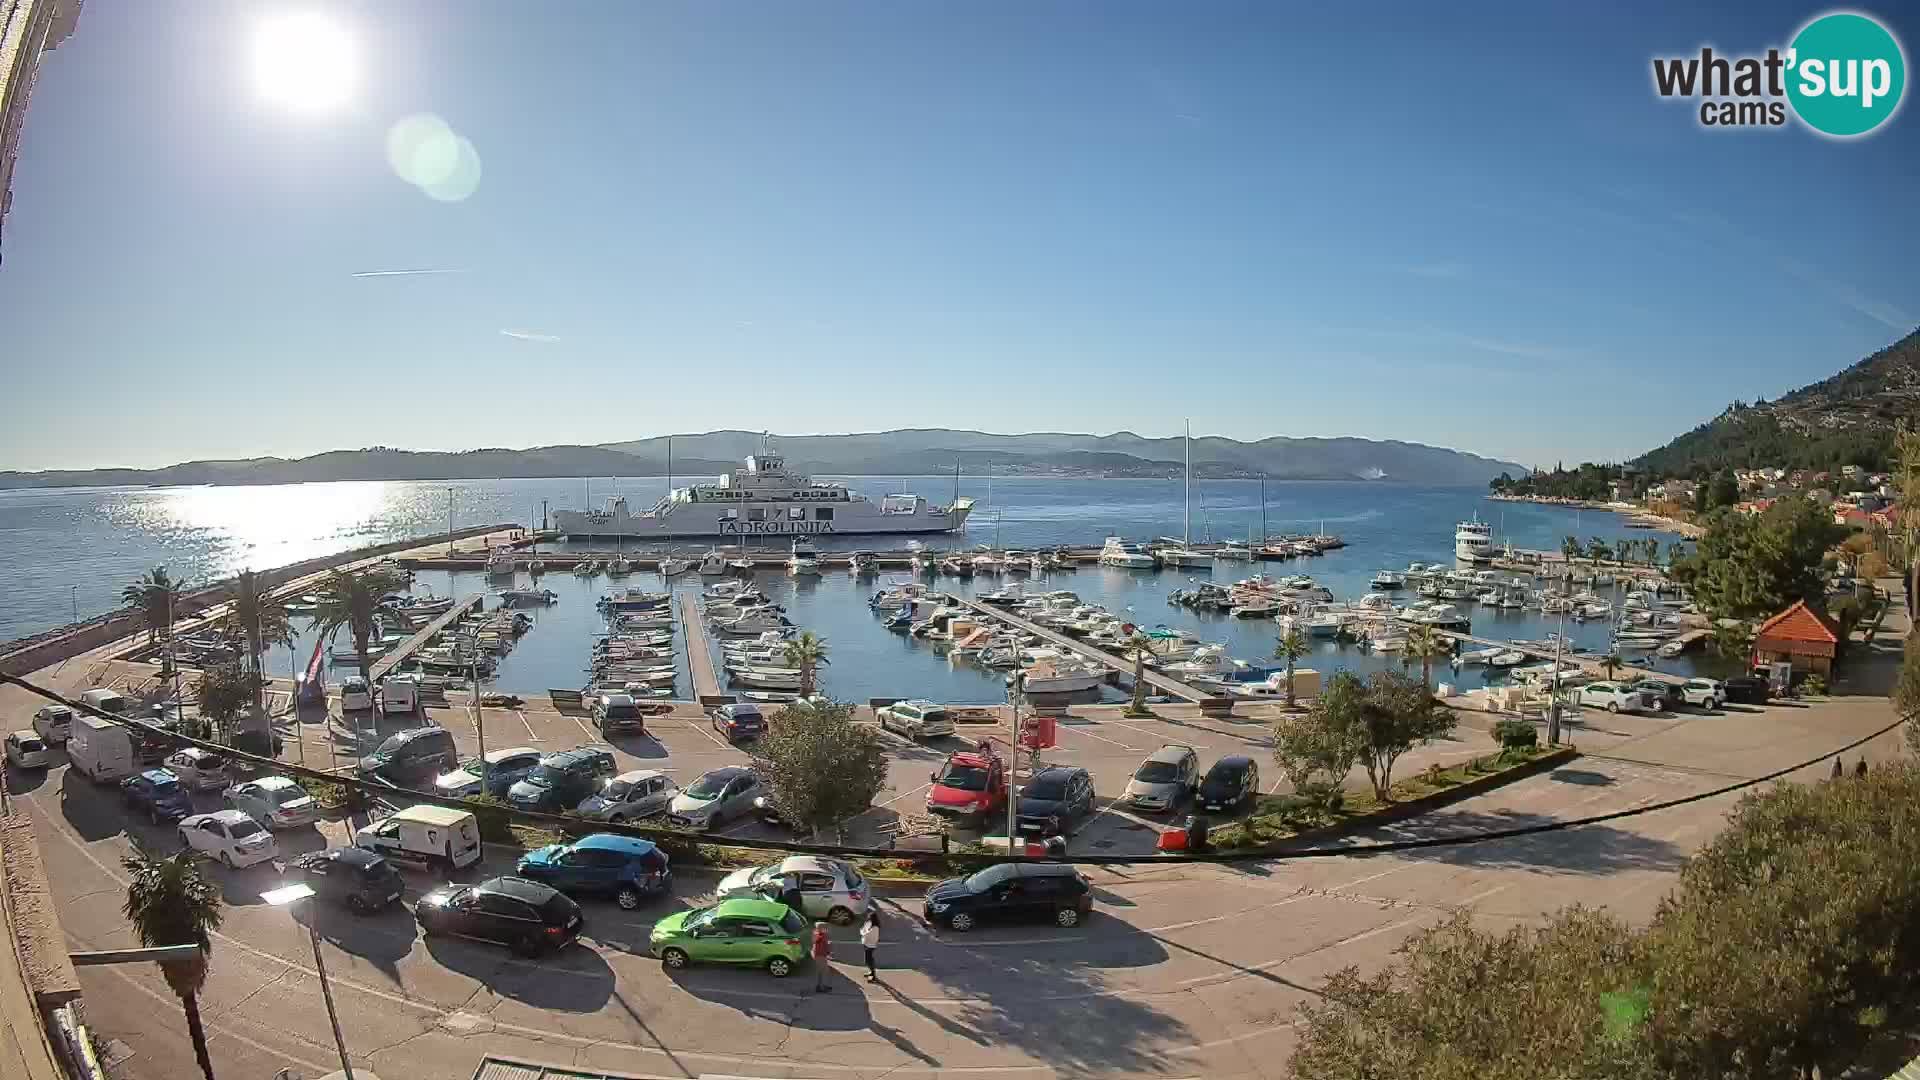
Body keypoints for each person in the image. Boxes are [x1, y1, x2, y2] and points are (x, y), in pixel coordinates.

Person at [811, 921, 833, 992]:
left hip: (819, 955)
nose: (826, 929)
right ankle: (821, 987)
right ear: (821, 928)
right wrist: (828, 953)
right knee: (824, 971)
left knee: (820, 971)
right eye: (825, 928)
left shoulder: (818, 934)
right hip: (820, 955)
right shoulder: (821, 936)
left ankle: (820, 986)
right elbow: (824, 946)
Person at [860, 909, 881, 982]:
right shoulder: (869, 923)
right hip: (866, 943)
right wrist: (864, 932)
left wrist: (864, 933)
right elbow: (862, 929)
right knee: (868, 960)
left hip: (870, 946)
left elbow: (866, 934)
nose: (868, 919)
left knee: (868, 960)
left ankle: (873, 975)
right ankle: (871, 972)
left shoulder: (875, 928)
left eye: (869, 918)